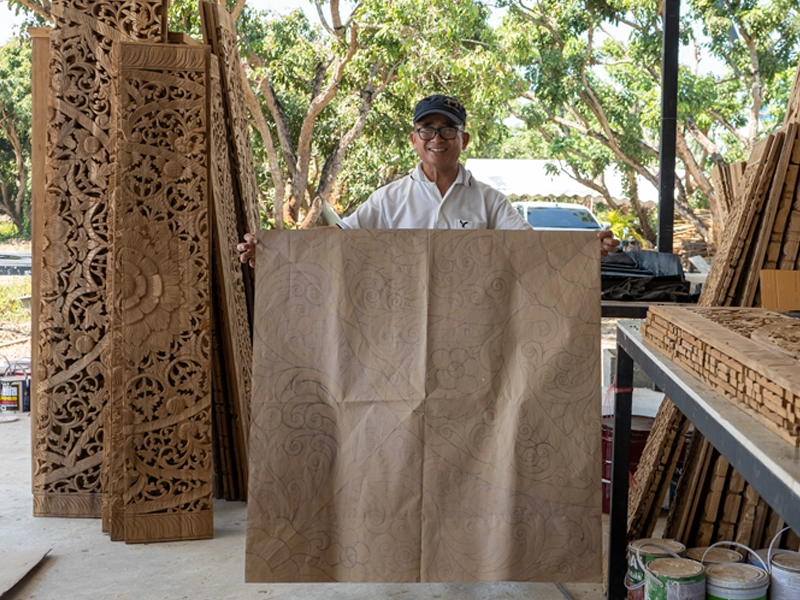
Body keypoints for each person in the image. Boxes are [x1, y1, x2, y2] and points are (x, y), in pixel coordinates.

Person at [238, 94, 619, 267]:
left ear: (463, 139)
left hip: (474, 327)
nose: (437, 138)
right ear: (414, 140)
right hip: (400, 327)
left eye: (448, 129)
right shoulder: (388, 200)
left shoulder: (490, 203)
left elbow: (529, 248)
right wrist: (274, 251)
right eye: (427, 129)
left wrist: (584, 248)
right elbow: (338, 241)